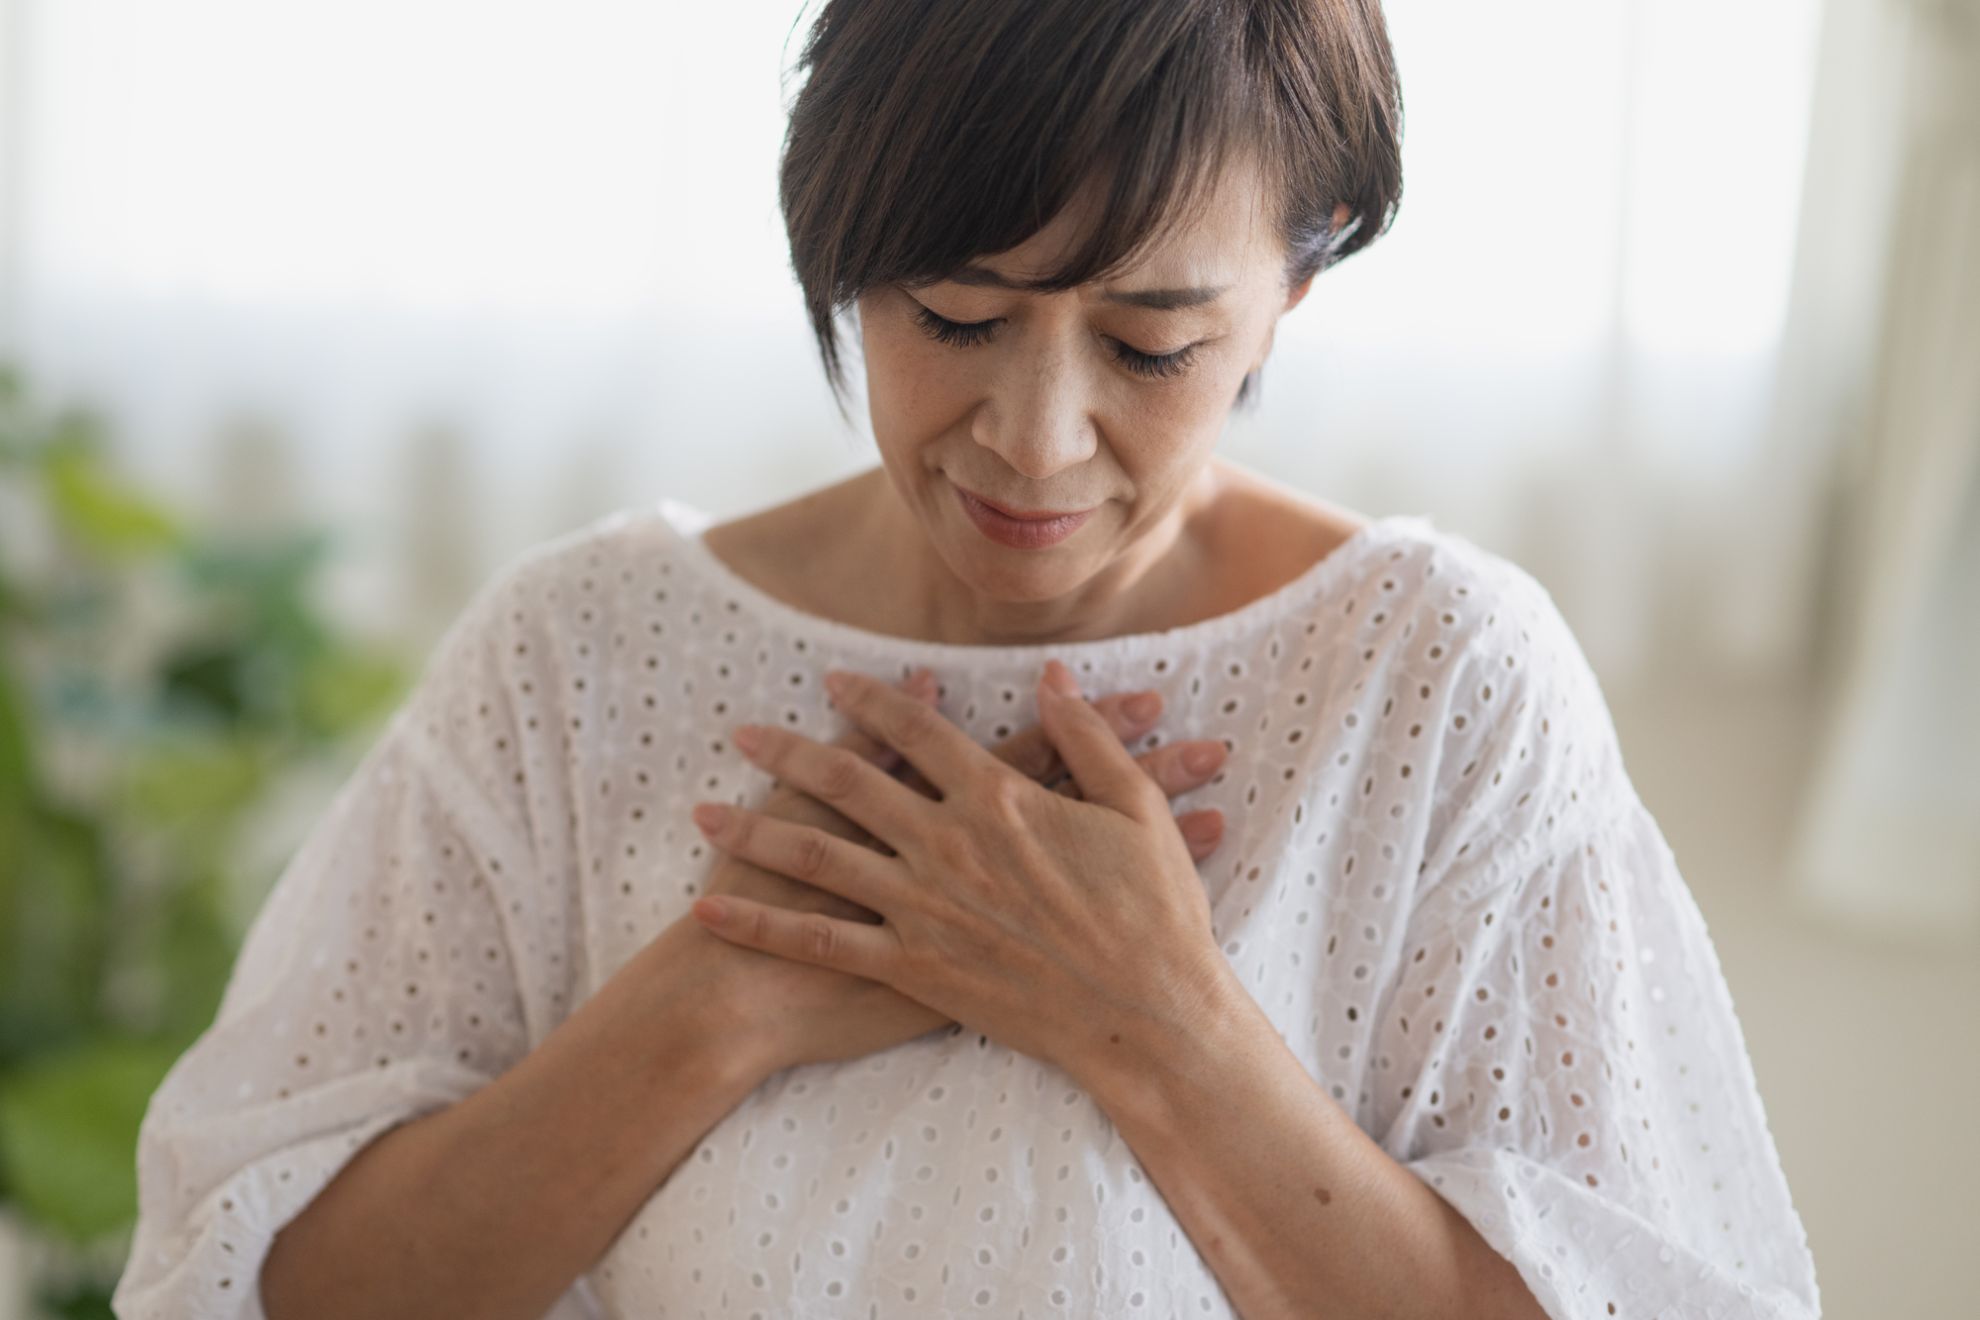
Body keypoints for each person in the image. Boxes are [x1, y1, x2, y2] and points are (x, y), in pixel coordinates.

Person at [113, 1, 1822, 1317]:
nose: (1038, 440)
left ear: (1306, 269)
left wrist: (1154, 1026)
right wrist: (716, 1009)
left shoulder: (1434, 684)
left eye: (1153, 342)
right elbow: (256, 1283)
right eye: (953, 319)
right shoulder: (582, 654)